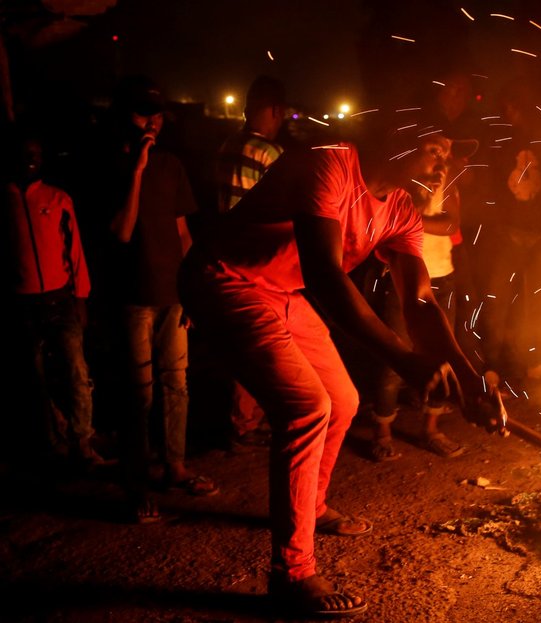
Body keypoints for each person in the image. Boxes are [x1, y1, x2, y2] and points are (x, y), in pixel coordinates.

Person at [178, 117, 506, 617]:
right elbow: (326, 277)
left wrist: (466, 377)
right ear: (398, 139)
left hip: (280, 292)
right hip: (225, 279)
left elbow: (418, 301)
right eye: (435, 150)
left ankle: (310, 507)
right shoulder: (329, 163)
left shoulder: (400, 209)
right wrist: (405, 360)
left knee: (345, 400)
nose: (444, 167)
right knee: (307, 406)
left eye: (448, 157)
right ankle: (291, 573)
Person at [106, 75, 219, 523]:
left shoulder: (172, 164)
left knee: (176, 384)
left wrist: (194, 291)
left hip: (173, 295)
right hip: (134, 296)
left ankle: (174, 465)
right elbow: (121, 231)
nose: (149, 122)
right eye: (141, 114)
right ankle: (136, 481)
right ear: (125, 116)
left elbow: (183, 231)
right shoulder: (113, 164)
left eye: (155, 114)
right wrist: (136, 170)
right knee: (139, 394)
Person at [3, 125, 103, 468]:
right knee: (34, 378)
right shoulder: (5, 199)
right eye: (25, 153)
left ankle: (83, 440)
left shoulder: (58, 199)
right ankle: (52, 441)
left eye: (36, 154)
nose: (31, 159)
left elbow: (75, 251)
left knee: (76, 369)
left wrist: (81, 296)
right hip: (23, 302)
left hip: (60, 299)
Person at [365, 179, 467, 461]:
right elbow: (388, 224)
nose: (440, 162)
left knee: (443, 354)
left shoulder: (448, 185)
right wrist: (423, 219)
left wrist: (410, 219)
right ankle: (382, 431)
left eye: (444, 155)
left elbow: (451, 225)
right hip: (400, 279)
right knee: (393, 357)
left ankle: (431, 429)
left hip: (442, 276)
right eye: (435, 151)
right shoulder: (396, 186)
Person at [215, 75, 287, 453]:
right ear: (275, 111)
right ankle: (246, 424)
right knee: (261, 344)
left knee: (242, 342)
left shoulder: (229, 143)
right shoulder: (269, 153)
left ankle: (242, 419)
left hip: (226, 254)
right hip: (257, 260)